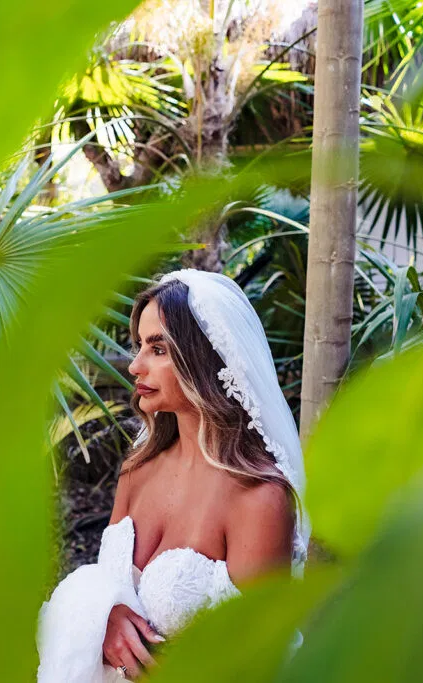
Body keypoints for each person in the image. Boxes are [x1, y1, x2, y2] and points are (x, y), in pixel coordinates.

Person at [36, 269, 310, 682]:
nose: (135, 366)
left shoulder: (259, 499)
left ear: (205, 358)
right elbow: (101, 588)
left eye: (158, 349)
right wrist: (100, 622)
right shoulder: (138, 470)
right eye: (139, 346)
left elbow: (257, 665)